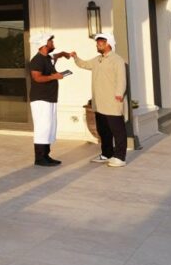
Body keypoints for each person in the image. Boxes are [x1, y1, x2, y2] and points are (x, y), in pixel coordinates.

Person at [71, 33, 128, 167]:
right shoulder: (97, 60)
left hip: (113, 101)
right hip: (99, 102)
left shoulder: (117, 60)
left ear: (108, 43)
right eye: (97, 42)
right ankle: (106, 154)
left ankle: (120, 157)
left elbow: (121, 79)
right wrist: (75, 57)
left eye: (100, 42)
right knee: (103, 130)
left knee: (117, 130)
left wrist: (119, 93)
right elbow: (84, 64)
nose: (97, 44)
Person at [28, 33, 70, 167]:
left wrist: (64, 53)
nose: (53, 43)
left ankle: (46, 155)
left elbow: (55, 56)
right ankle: (39, 158)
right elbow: (37, 78)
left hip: (50, 98)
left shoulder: (47, 58)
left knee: (49, 127)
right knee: (42, 127)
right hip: (41, 99)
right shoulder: (37, 60)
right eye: (50, 41)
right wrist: (54, 77)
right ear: (43, 44)